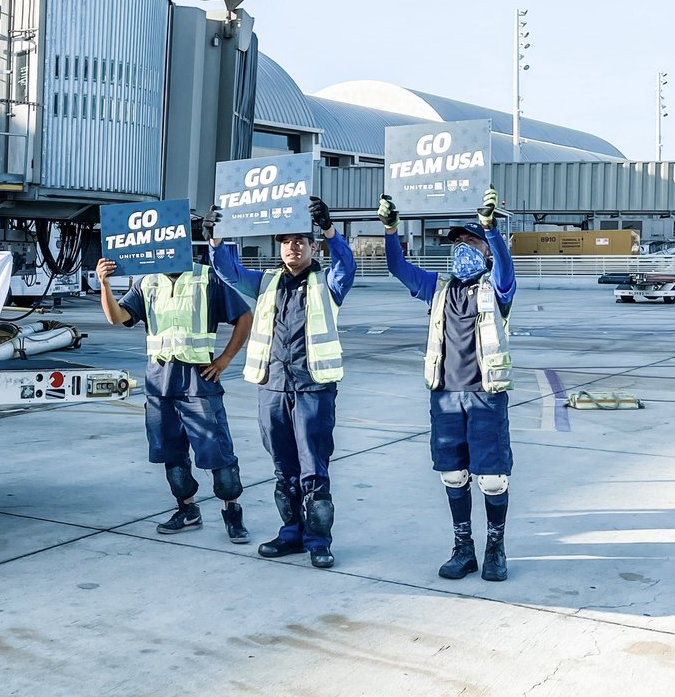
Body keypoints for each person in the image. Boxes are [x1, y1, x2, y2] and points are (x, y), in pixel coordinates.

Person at [209, 197, 356, 568]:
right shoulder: (265, 283)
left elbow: (347, 265)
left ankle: (319, 540)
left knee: (314, 467)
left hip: (313, 389)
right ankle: (291, 532)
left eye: (301, 241)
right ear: (280, 247)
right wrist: (216, 238)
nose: (293, 246)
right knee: (283, 468)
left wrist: (329, 229)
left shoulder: (328, 284)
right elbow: (228, 270)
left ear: (311, 246)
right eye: (287, 241)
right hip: (273, 386)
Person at [377, 186, 514, 582]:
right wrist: (390, 229)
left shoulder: (497, 287)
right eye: (457, 242)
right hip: (445, 395)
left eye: (469, 240)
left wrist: (490, 230)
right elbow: (398, 268)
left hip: (485, 395)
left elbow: (505, 266)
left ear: (484, 248)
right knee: (453, 474)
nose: (461, 248)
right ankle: (463, 548)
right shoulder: (438, 288)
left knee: (491, 478)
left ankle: (495, 548)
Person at [96, 249, 253, 543]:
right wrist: (104, 283)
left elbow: (244, 317)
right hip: (159, 384)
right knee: (170, 452)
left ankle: (232, 511)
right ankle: (187, 510)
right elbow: (117, 317)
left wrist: (225, 359)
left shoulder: (206, 278)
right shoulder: (147, 281)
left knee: (217, 451)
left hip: (198, 383)